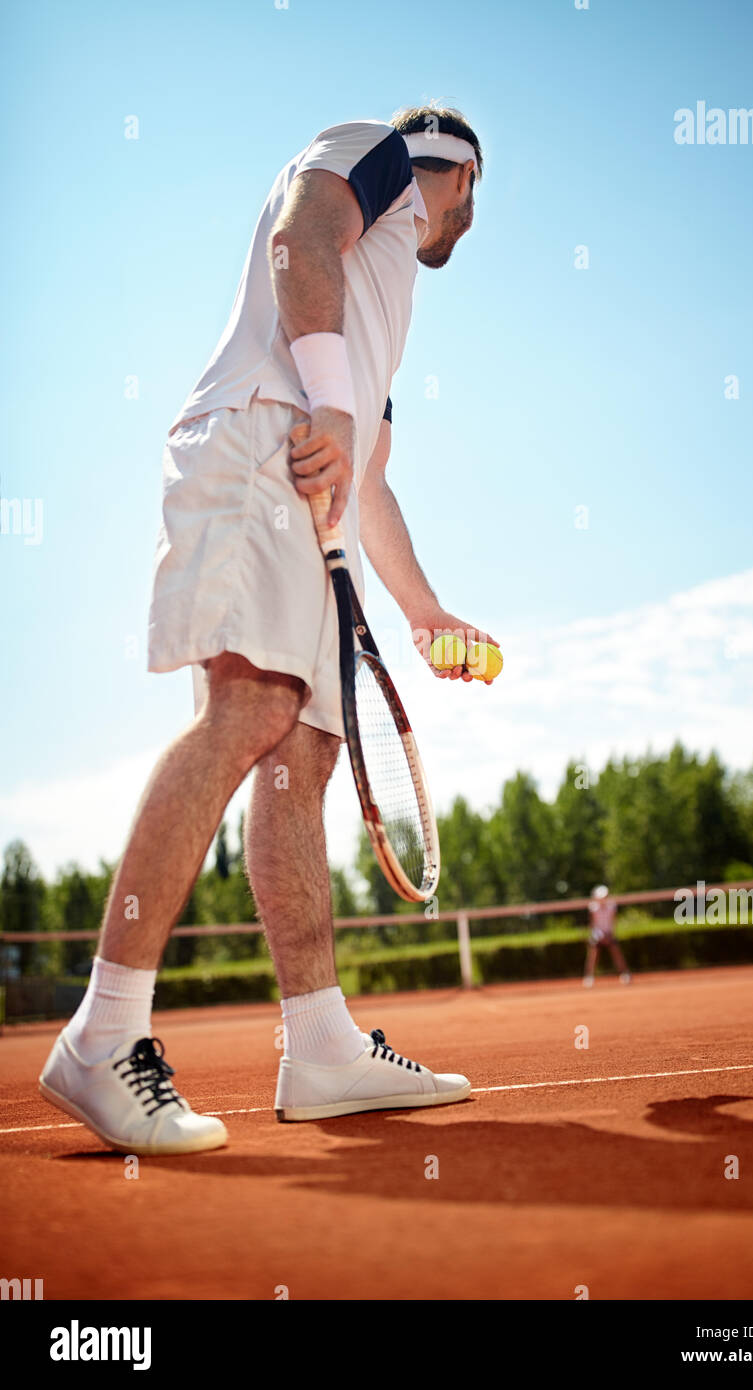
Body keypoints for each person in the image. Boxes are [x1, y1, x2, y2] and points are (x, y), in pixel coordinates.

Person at [39, 106, 495, 1154]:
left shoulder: (386, 294)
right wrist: (328, 405)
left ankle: (321, 1044)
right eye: (472, 197)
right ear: (463, 177)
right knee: (249, 707)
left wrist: (423, 614)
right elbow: (301, 232)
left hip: (307, 468)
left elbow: (369, 477)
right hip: (261, 433)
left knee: (305, 747)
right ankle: (104, 1033)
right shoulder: (374, 155)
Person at [583, 885, 631, 988]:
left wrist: (609, 934)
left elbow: (613, 921)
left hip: (609, 933)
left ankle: (624, 974)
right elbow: (592, 923)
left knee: (617, 953)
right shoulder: (593, 907)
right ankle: (589, 977)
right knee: (593, 956)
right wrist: (597, 935)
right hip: (597, 935)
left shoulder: (612, 906)